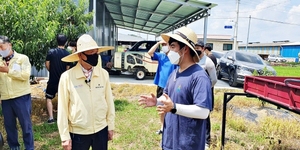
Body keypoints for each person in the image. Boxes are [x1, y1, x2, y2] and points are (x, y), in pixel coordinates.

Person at [138, 27, 212, 150]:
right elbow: (167, 96)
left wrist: (174, 108)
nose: (169, 51)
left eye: (172, 47)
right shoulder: (175, 72)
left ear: (185, 49)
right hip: (170, 141)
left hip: (188, 144)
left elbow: (203, 112)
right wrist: (157, 101)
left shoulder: (199, 76)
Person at [57, 34, 115, 150]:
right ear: (80, 55)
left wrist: (110, 125)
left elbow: (109, 101)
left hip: (101, 129)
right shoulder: (67, 77)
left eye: (95, 53)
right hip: (79, 132)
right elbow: (62, 108)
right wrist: (64, 136)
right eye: (90, 53)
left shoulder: (103, 74)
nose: (94, 56)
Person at [0, 35, 34, 150]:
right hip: (6, 98)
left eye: (1, 46)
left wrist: (8, 70)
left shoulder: (22, 59)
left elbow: (25, 75)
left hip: (21, 97)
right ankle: (14, 147)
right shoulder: (0, 62)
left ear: (9, 45)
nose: (0, 50)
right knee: (9, 126)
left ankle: (29, 147)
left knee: (26, 125)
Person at [147, 40, 176, 134]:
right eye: (162, 45)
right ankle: (162, 127)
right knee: (161, 108)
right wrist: (158, 43)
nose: (164, 46)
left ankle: (171, 127)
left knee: (171, 107)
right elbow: (150, 52)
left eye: (165, 44)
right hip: (161, 85)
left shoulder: (175, 57)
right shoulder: (161, 56)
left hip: (172, 86)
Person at [195, 40, 217, 149]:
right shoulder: (193, 59)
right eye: (195, 47)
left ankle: (206, 141)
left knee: (205, 116)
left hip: (205, 93)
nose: (196, 50)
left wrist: (205, 89)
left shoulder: (208, 62)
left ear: (203, 49)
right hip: (194, 94)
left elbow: (214, 80)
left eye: (198, 48)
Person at [45, 34, 71, 124]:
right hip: (62, 80)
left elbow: (47, 64)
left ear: (57, 41)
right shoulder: (67, 54)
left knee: (49, 98)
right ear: (66, 42)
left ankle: (51, 118)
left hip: (52, 79)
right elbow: (68, 68)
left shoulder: (51, 52)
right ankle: (62, 118)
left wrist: (51, 71)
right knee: (62, 98)